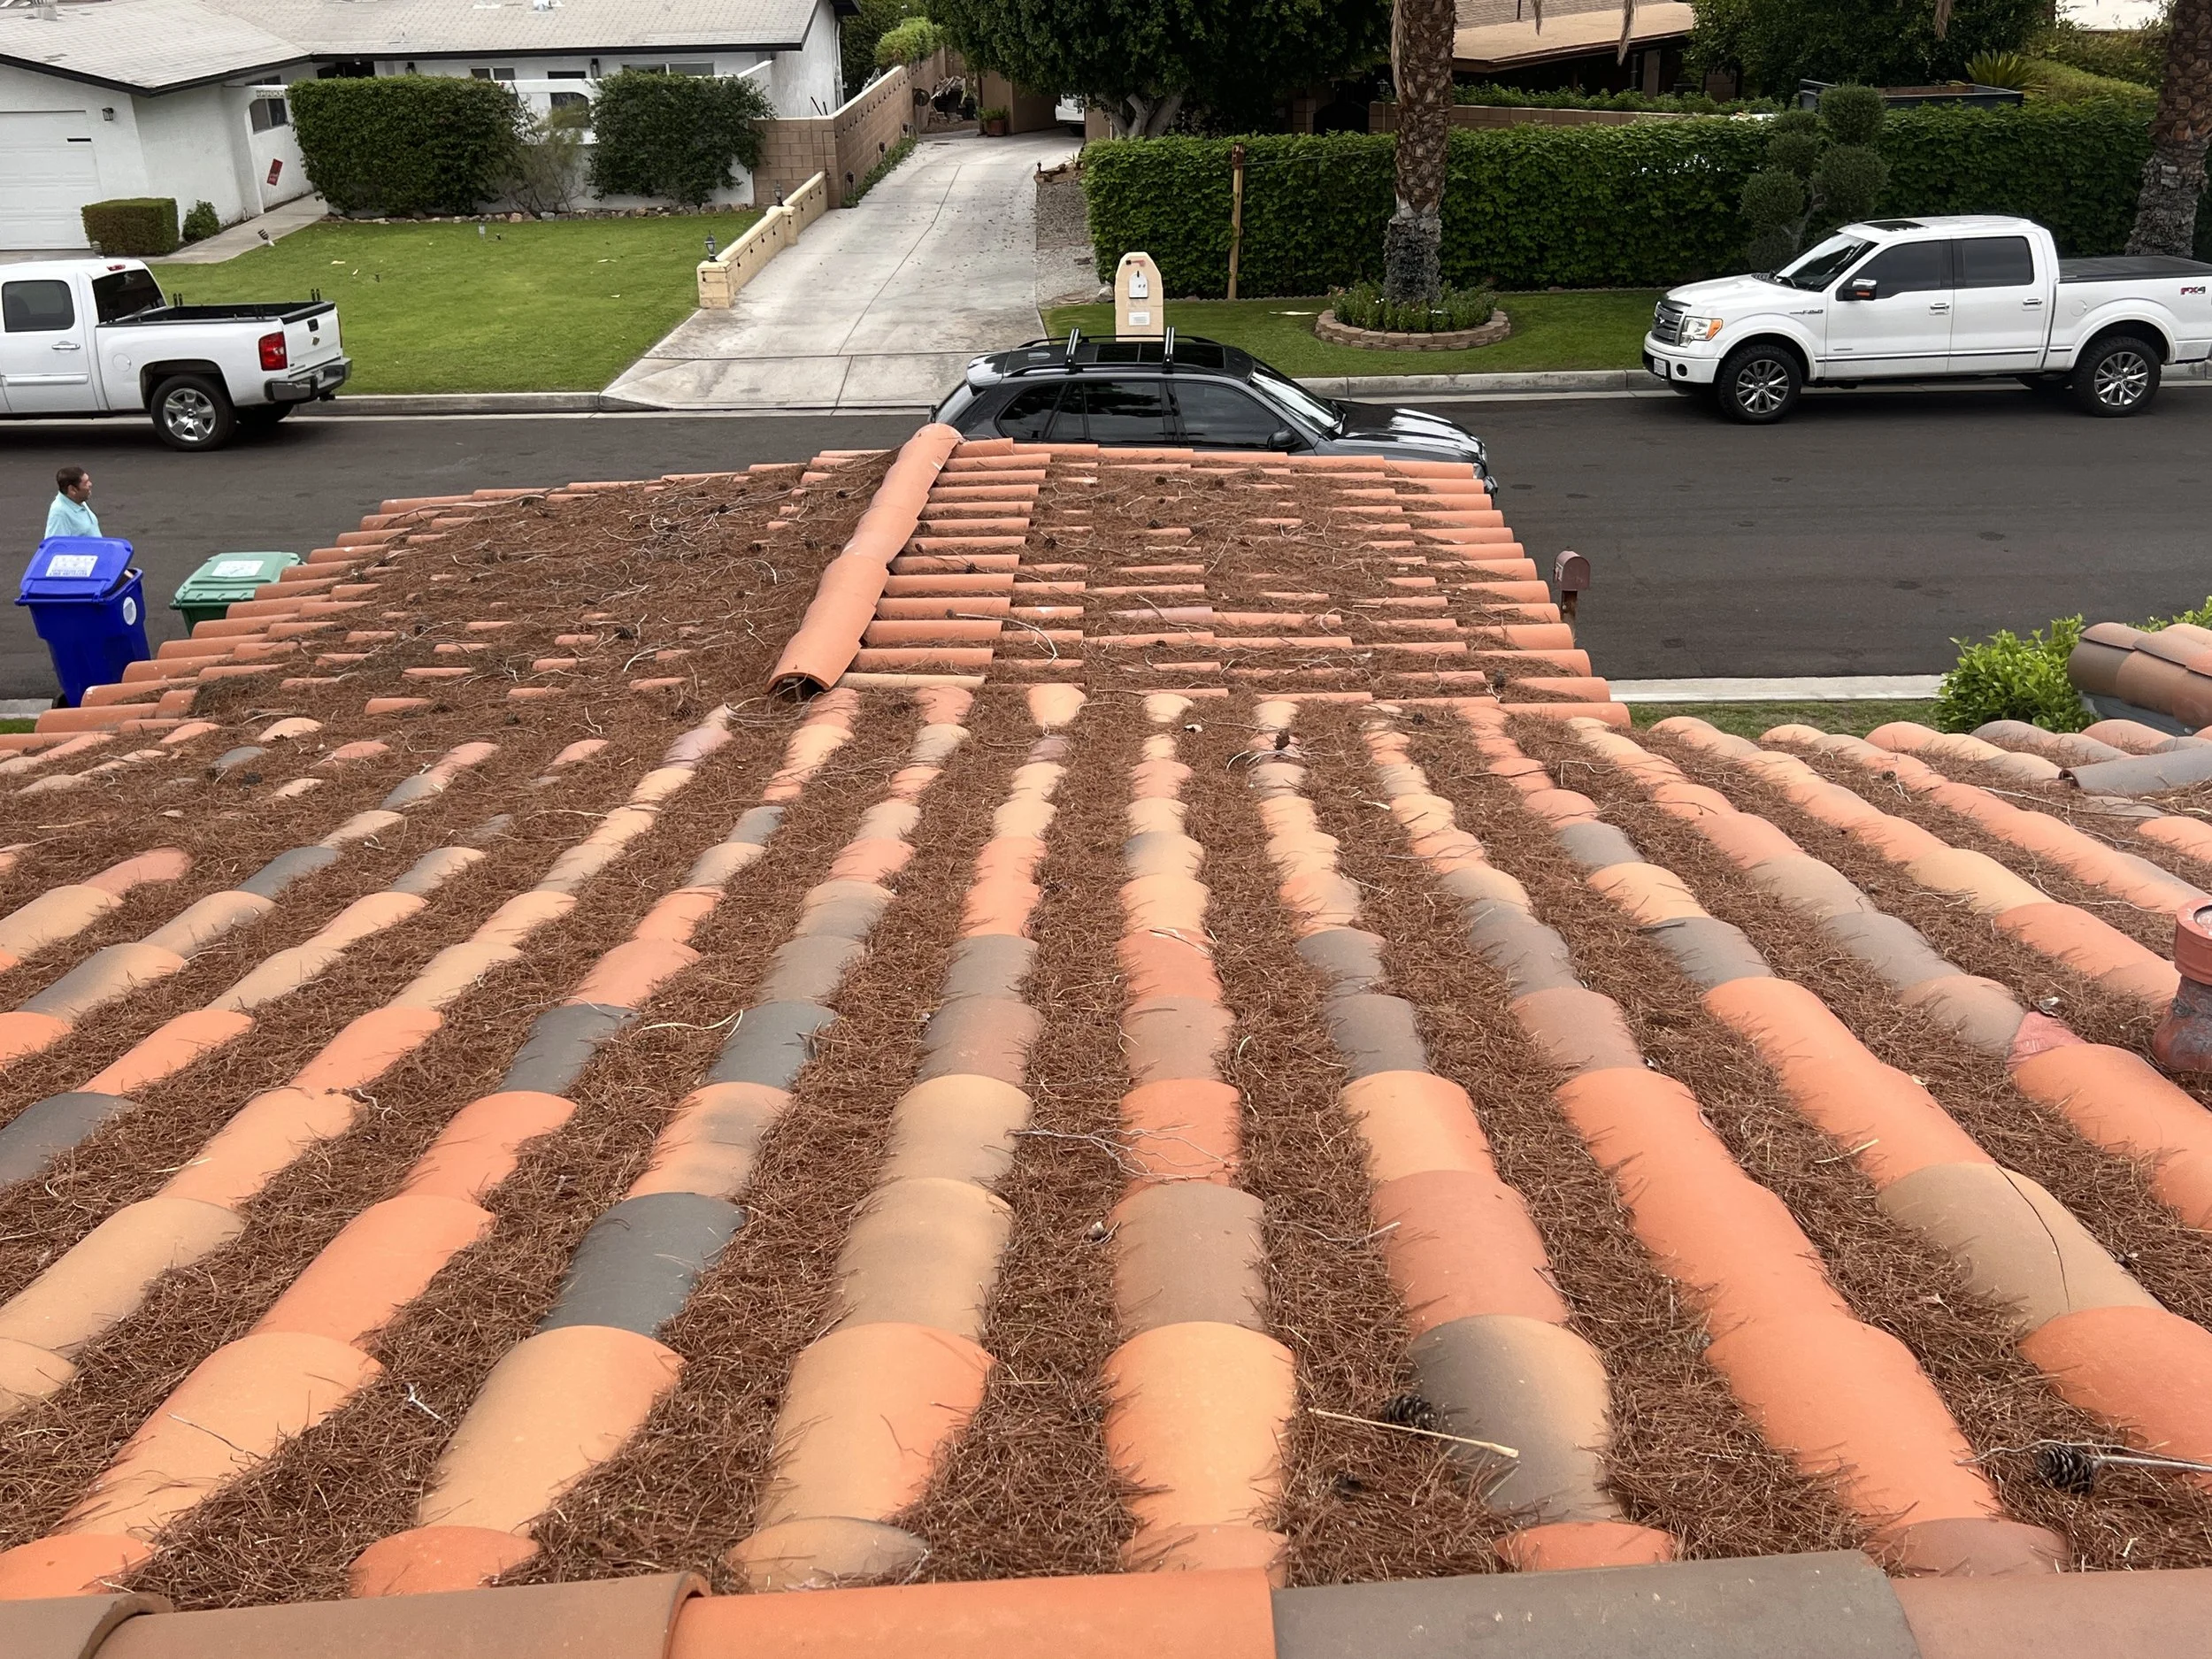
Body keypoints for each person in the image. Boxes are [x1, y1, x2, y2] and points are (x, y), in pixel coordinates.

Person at [45, 466, 100, 540]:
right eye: (86, 483)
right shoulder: (59, 514)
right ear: (72, 490)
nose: (90, 484)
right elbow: (56, 547)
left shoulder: (77, 500)